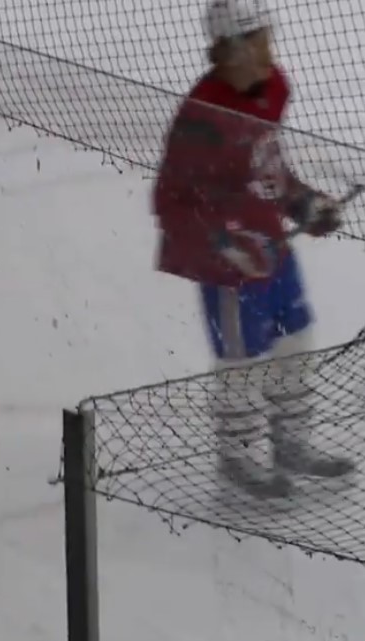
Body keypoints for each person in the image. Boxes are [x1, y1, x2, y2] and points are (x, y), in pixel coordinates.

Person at [153, 0, 354, 498]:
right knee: (242, 359)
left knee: (295, 340)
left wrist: (304, 204)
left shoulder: (273, 89)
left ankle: (291, 443)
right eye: (259, 41)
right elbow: (169, 203)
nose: (270, 50)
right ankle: (238, 456)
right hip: (227, 269)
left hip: (274, 250)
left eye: (269, 37)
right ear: (230, 50)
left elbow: (270, 169)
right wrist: (225, 243)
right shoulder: (203, 117)